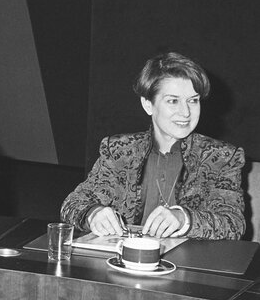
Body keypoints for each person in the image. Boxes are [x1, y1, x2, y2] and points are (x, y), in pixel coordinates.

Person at [61, 52, 245, 240]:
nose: (186, 112)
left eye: (193, 100)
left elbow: (233, 224)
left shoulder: (222, 157)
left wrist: (184, 219)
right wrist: (93, 213)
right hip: (122, 263)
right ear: (148, 105)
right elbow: (72, 204)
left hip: (187, 266)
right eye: (173, 101)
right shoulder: (120, 151)